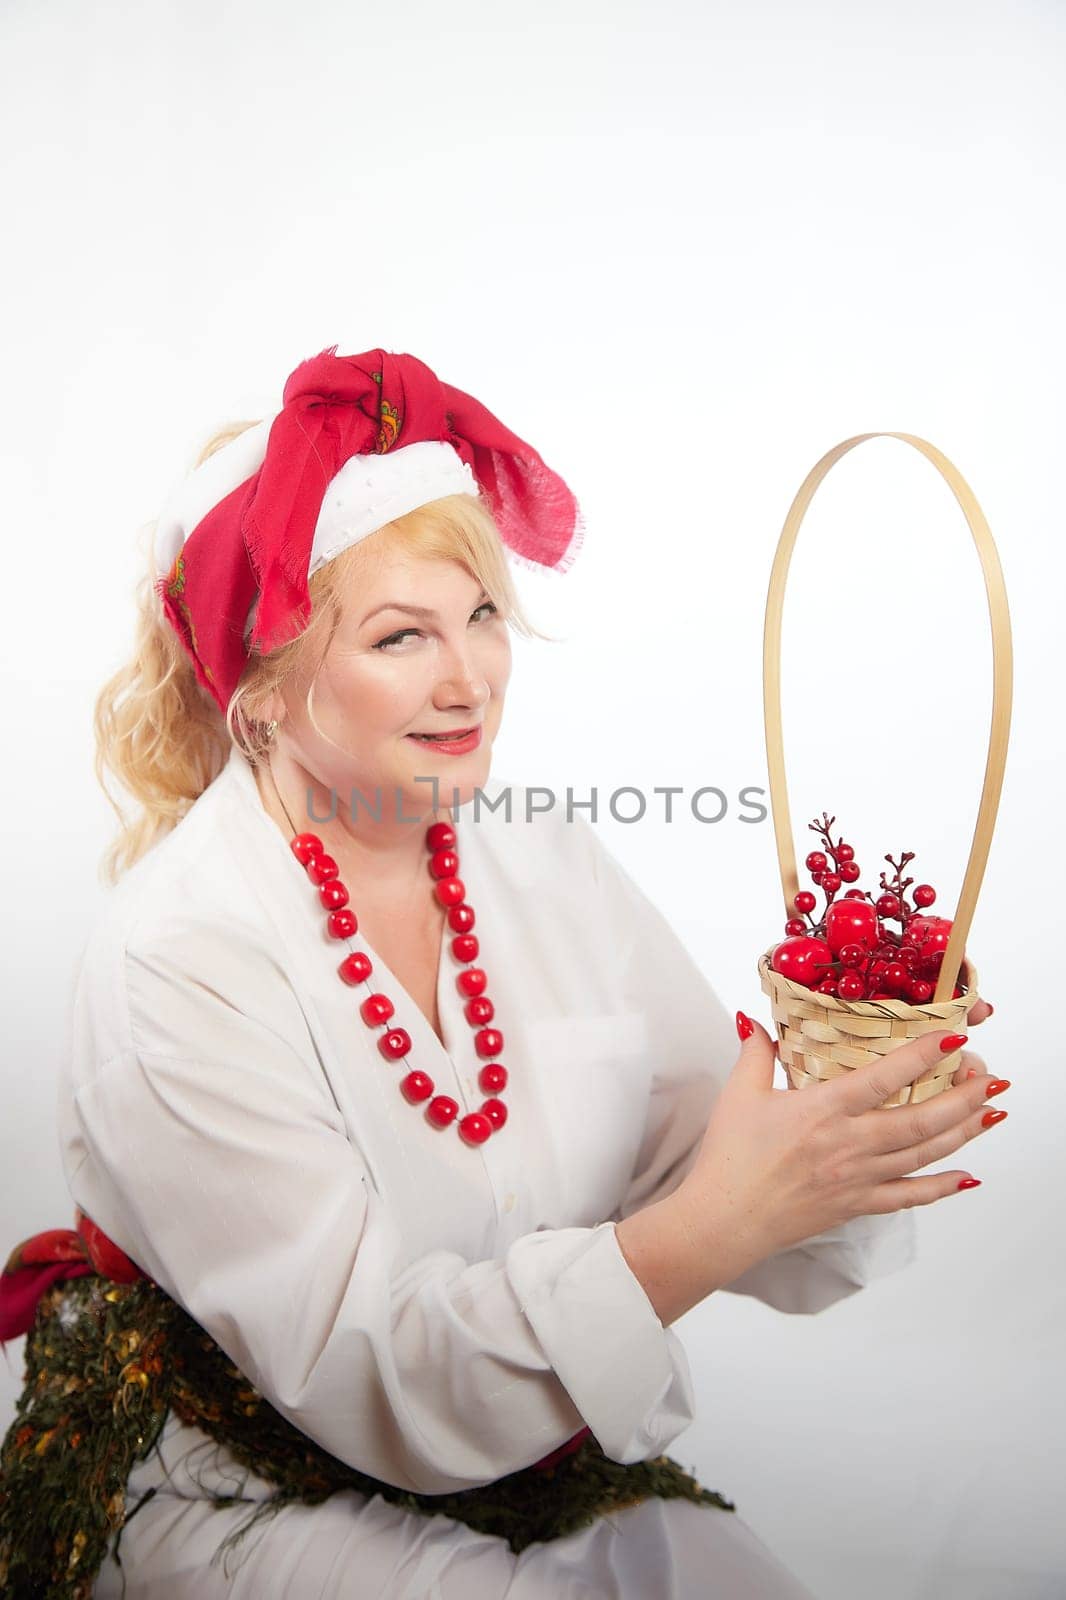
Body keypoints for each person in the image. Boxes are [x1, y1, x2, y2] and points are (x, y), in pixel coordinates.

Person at [0, 345, 1001, 1599]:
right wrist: (709, 1226)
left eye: (480, 615)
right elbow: (366, 1370)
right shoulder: (178, 957)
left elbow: (714, 1150)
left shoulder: (542, 858)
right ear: (257, 691)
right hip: (236, 1490)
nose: (469, 678)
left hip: (510, 1466)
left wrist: (852, 1131)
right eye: (399, 634)